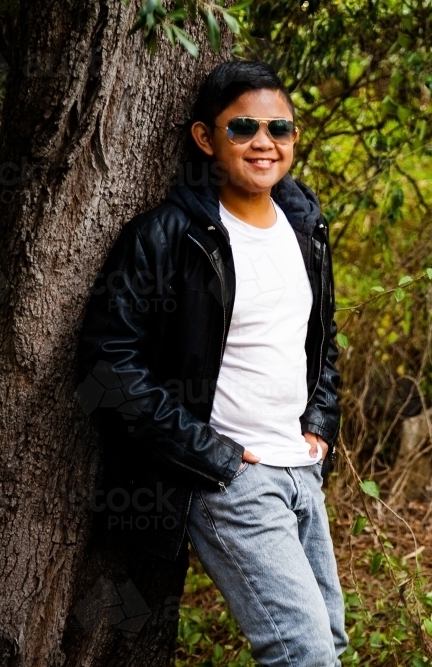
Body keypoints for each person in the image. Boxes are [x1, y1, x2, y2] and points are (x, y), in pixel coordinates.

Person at [75, 60, 347, 666]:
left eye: (280, 129)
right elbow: (107, 367)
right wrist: (216, 456)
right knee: (304, 653)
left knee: (327, 641)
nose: (264, 143)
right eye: (243, 127)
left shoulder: (306, 228)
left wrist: (319, 429)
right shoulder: (168, 236)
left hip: (301, 471)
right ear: (206, 138)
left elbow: (321, 340)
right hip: (231, 480)